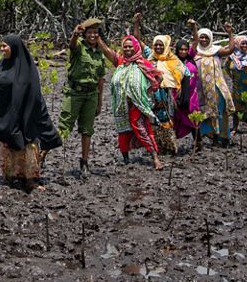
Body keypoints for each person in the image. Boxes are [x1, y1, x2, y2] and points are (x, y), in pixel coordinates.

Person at [0, 34, 61, 192]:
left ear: (14, 47)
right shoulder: (2, 65)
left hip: (27, 113)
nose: (2, 49)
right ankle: (10, 176)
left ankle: (31, 180)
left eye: (4, 46)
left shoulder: (27, 67)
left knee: (29, 144)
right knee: (9, 140)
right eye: (1, 46)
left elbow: (34, 92)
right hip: (10, 113)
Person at [97, 33, 164, 170]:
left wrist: (148, 91)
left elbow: (158, 77)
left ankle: (155, 158)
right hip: (121, 105)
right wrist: (97, 38)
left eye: (130, 46)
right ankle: (126, 159)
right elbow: (106, 51)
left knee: (142, 129)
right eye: (125, 47)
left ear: (135, 47)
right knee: (123, 131)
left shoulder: (142, 63)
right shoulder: (120, 62)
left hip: (137, 104)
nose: (128, 49)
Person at [58, 18, 106, 178]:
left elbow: (100, 79)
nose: (93, 35)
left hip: (91, 95)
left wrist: (99, 102)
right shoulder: (79, 47)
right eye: (90, 32)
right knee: (64, 126)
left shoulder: (100, 54)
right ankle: (43, 155)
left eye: (95, 32)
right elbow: (72, 46)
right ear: (85, 34)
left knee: (87, 130)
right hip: (74, 93)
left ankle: (84, 162)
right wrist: (74, 34)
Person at [132, 15, 186, 155]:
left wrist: (179, 88)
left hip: (166, 94)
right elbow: (138, 40)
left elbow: (183, 74)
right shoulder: (150, 55)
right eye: (156, 44)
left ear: (166, 46)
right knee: (152, 119)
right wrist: (136, 24)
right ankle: (156, 148)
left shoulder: (172, 59)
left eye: (161, 45)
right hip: (151, 93)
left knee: (166, 119)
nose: (158, 47)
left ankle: (169, 146)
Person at [188, 20, 235, 147]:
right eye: (201, 37)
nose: (203, 39)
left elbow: (230, 49)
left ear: (210, 38)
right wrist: (194, 28)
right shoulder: (195, 52)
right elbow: (194, 42)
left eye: (206, 37)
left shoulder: (216, 51)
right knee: (205, 114)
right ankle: (211, 136)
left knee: (219, 112)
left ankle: (223, 137)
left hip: (217, 88)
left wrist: (230, 34)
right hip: (201, 91)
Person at [173, 39, 201, 143]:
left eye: (185, 49)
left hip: (192, 96)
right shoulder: (174, 62)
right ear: (177, 50)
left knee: (194, 119)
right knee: (178, 119)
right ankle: (172, 145)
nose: (183, 52)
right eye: (181, 50)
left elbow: (196, 41)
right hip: (178, 95)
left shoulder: (190, 59)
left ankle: (198, 143)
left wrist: (194, 26)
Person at [225, 35, 247, 133]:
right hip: (238, 86)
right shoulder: (232, 56)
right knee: (237, 107)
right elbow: (226, 68)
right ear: (237, 44)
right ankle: (235, 127)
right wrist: (232, 77)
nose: (245, 46)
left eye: (246, 43)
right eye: (242, 43)